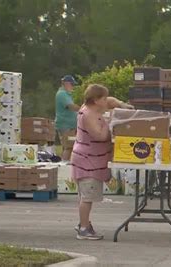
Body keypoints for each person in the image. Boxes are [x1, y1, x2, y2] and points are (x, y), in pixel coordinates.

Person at [71, 84, 130, 240]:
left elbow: (112, 100)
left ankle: (84, 223)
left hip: (94, 159)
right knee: (87, 197)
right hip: (87, 160)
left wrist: (122, 105)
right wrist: (110, 122)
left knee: (87, 195)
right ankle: (83, 229)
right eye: (103, 98)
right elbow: (99, 136)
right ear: (96, 100)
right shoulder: (88, 114)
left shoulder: (95, 107)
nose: (106, 101)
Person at [55, 75, 80, 161]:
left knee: (70, 146)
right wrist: (84, 109)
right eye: (71, 84)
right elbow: (71, 106)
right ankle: (64, 164)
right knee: (68, 146)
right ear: (65, 83)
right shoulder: (62, 94)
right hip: (65, 125)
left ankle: (67, 163)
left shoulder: (67, 94)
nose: (73, 87)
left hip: (70, 125)